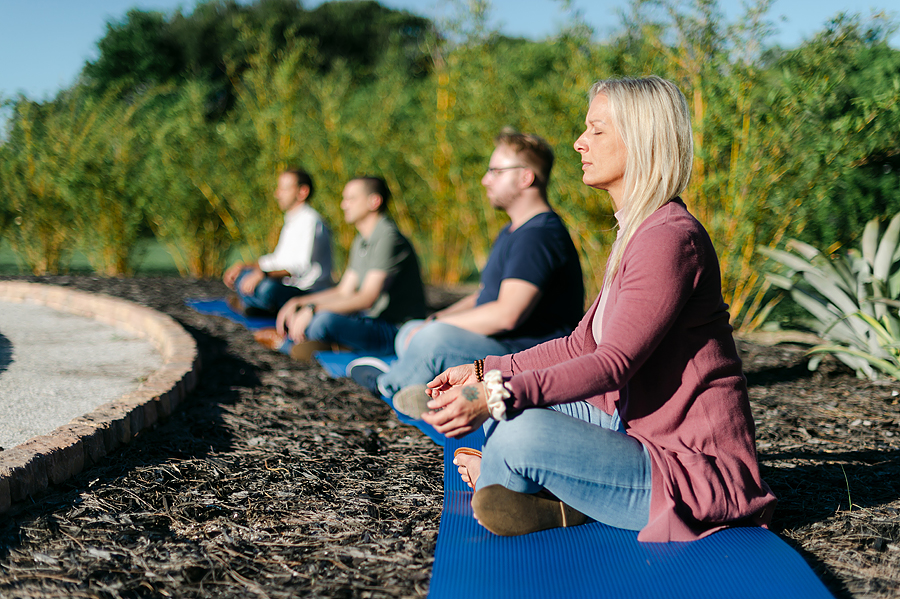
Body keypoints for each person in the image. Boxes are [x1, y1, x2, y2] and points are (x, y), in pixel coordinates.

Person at [419, 76, 777, 543]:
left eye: (597, 130)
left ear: (641, 139)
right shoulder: (638, 231)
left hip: (691, 466)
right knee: (515, 416)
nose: (579, 142)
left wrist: (497, 397)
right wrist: (487, 371)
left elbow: (613, 365)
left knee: (516, 428)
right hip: (636, 430)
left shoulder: (669, 239)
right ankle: (542, 487)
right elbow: (579, 345)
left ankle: (534, 485)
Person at [348, 129, 584, 412]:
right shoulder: (513, 231)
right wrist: (438, 317)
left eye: (496, 171)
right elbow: (484, 296)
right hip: (497, 343)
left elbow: (507, 315)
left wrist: (436, 328)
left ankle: (389, 385)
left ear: (525, 177)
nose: (486, 180)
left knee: (432, 338)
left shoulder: (539, 235)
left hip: (522, 355)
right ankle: (426, 387)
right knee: (413, 329)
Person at [260, 176, 427, 361]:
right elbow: (344, 290)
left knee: (323, 321)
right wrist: (299, 302)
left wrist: (314, 309)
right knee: (315, 318)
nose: (343, 205)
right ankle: (327, 345)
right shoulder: (361, 240)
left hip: (396, 330)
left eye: (351, 199)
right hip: (371, 321)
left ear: (374, 201)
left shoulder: (388, 238)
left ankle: (330, 346)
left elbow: (367, 298)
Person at [223, 168, 332, 314]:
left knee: (267, 288)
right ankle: (254, 305)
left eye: (284, 189)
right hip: (287, 285)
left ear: (302, 191)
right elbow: (277, 260)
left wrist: (263, 274)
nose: (277, 194)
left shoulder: (311, 221)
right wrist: (245, 266)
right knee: (243, 276)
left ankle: (253, 305)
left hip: (307, 291)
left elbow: (300, 267)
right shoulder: (292, 220)